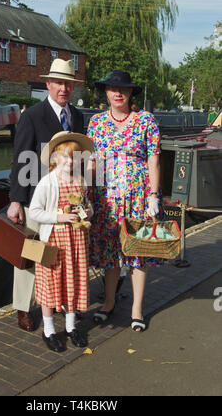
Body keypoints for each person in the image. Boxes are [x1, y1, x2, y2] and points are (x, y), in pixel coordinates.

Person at [7, 59, 84, 332]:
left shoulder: (77, 116)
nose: (63, 88)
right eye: (58, 83)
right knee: (32, 254)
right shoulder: (32, 116)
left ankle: (57, 302)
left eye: (68, 83)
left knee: (60, 256)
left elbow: (81, 159)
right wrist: (16, 201)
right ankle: (24, 308)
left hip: (67, 200)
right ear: (48, 84)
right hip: (36, 198)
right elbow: (21, 160)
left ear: (72, 86)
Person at [87, 70, 163, 332]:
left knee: (137, 250)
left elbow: (153, 158)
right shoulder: (95, 123)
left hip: (138, 196)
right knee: (110, 252)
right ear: (106, 92)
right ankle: (108, 303)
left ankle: (136, 309)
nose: (117, 93)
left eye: (123, 89)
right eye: (112, 88)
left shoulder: (146, 121)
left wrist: (153, 195)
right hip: (106, 198)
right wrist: (86, 195)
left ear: (130, 93)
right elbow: (92, 162)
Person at [28, 131, 94, 352]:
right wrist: (59, 217)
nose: (70, 161)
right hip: (54, 241)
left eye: (75, 157)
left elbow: (85, 206)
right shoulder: (47, 182)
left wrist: (88, 211)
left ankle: (70, 326)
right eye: (65, 156)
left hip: (76, 240)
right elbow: (35, 212)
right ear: (55, 158)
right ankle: (48, 330)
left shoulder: (81, 181)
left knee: (73, 280)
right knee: (50, 283)